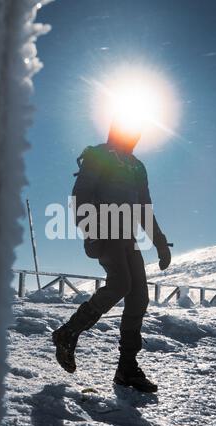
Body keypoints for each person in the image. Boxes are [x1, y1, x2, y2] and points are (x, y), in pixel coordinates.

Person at [52, 122, 171, 393]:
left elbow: (144, 208)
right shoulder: (98, 155)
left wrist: (161, 244)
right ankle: (67, 333)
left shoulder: (137, 166)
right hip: (104, 230)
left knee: (139, 296)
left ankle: (126, 368)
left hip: (127, 236)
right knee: (120, 284)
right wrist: (91, 231)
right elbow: (80, 195)